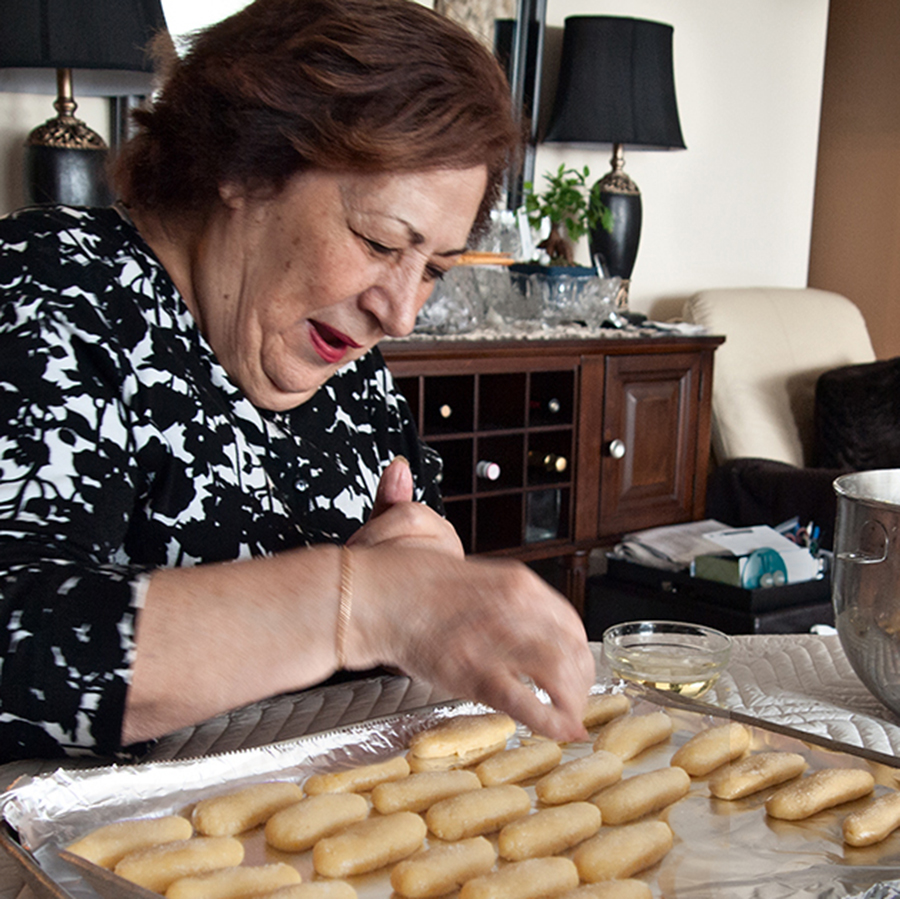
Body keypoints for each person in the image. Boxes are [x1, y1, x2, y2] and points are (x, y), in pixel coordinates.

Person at [0, 0, 594, 764]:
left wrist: (432, 581)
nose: (401, 313)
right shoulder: (46, 292)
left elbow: (408, 595)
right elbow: (21, 637)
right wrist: (359, 604)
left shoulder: (344, 364)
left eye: (435, 269)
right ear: (243, 167)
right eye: (379, 241)